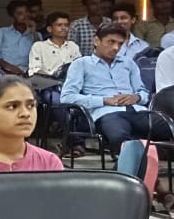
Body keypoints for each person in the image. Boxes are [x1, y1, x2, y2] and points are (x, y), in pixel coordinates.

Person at [61, 23, 173, 157]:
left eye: (120, 44)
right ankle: (141, 159)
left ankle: (146, 155)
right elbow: (67, 97)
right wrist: (104, 100)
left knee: (169, 128)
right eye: (111, 42)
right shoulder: (81, 64)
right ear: (96, 41)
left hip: (137, 111)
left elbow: (144, 92)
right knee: (119, 137)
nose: (116, 48)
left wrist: (136, 97)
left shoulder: (129, 63)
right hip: (107, 113)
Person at [0, 0, 37, 75]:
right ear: (12, 16)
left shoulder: (35, 35)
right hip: (4, 72)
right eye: (20, 13)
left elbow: (40, 56)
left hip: (28, 74)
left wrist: (34, 33)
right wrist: (10, 68)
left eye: (27, 12)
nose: (25, 16)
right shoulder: (1, 33)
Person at [28, 11, 81, 77]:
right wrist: (53, 78)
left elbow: (80, 67)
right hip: (47, 81)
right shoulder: (39, 47)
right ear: (49, 29)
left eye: (66, 25)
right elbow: (34, 70)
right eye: (59, 25)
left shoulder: (73, 46)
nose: (64, 28)